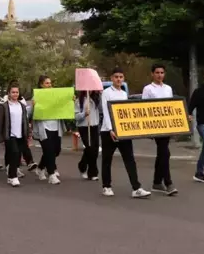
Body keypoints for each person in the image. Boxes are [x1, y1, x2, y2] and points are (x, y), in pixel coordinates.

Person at [100, 68, 151, 198]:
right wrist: (111, 129)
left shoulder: (123, 93)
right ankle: (106, 186)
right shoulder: (106, 93)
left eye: (121, 77)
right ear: (112, 78)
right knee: (107, 159)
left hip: (123, 131)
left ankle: (136, 188)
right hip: (108, 131)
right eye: (116, 77)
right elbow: (106, 112)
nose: (118, 79)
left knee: (129, 159)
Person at [142, 63, 178, 196]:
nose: (159, 75)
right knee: (165, 152)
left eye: (162, 73)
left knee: (162, 153)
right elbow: (144, 108)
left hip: (167, 124)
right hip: (155, 125)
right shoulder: (148, 89)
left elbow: (172, 106)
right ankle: (168, 183)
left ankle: (157, 182)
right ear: (152, 74)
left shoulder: (168, 88)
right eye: (157, 73)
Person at [0, 82, 34, 187]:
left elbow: (25, 121)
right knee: (15, 153)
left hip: (21, 135)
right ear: (9, 93)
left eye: (17, 92)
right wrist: (0, 137)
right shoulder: (4, 107)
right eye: (13, 92)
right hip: (10, 135)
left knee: (17, 156)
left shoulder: (22, 106)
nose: (15, 94)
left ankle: (11, 175)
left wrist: (28, 134)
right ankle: (13, 177)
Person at [30, 75, 66, 185]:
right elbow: (31, 114)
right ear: (41, 85)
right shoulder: (36, 98)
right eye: (46, 83)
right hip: (44, 128)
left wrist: (70, 100)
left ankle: (41, 167)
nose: (49, 85)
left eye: (50, 83)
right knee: (49, 150)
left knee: (56, 150)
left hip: (56, 127)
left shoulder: (56, 95)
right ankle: (51, 174)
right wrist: (33, 106)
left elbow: (64, 107)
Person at [75, 90, 101, 181]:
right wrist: (84, 114)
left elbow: (102, 110)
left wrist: (100, 94)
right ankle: (93, 172)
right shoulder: (79, 101)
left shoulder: (97, 99)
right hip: (84, 127)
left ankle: (82, 164)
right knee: (90, 148)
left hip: (94, 125)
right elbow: (76, 116)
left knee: (95, 149)